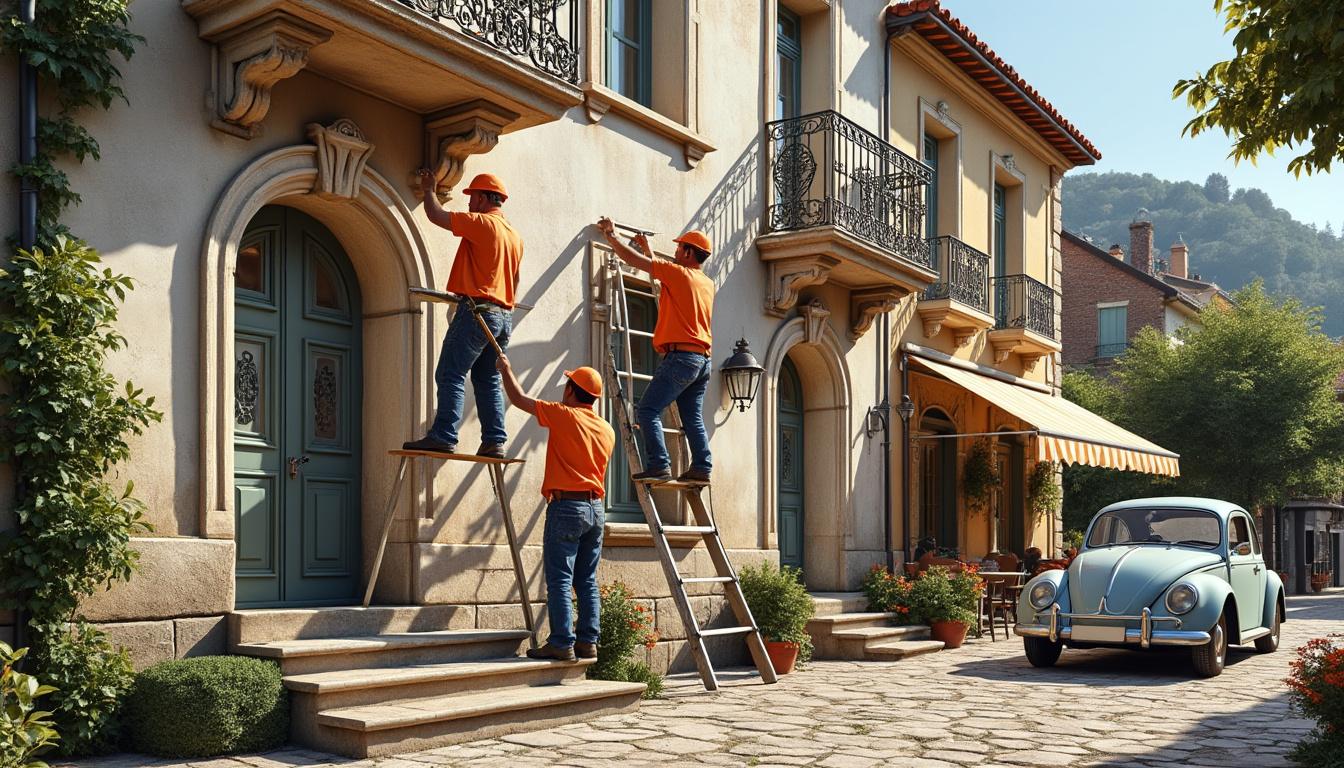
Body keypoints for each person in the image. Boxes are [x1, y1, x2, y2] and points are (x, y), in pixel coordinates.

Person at [496, 355, 614, 661]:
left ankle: (562, 641)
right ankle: (588, 642)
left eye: (567, 384)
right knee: (586, 579)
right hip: (595, 509)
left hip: (567, 507)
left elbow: (519, 399)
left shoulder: (564, 415)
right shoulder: (607, 429)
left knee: (560, 577)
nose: (564, 390)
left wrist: (506, 370)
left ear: (573, 391)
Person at [403, 170, 522, 459]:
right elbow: (515, 281)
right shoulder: (513, 235)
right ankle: (494, 440)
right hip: (503, 315)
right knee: (487, 379)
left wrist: (429, 189)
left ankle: (443, 435)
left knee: (450, 372)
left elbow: (437, 216)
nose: (469, 203)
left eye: (471, 198)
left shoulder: (482, 223)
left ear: (483, 199)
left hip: (477, 311)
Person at [595, 217, 714, 483]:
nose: (674, 253)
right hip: (701, 360)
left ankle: (659, 464)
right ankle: (702, 467)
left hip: (681, 357)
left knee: (647, 410)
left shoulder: (678, 273)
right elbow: (665, 277)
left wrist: (611, 237)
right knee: (692, 418)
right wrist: (649, 251)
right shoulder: (706, 283)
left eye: (678, 248)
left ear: (688, 252)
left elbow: (636, 263)